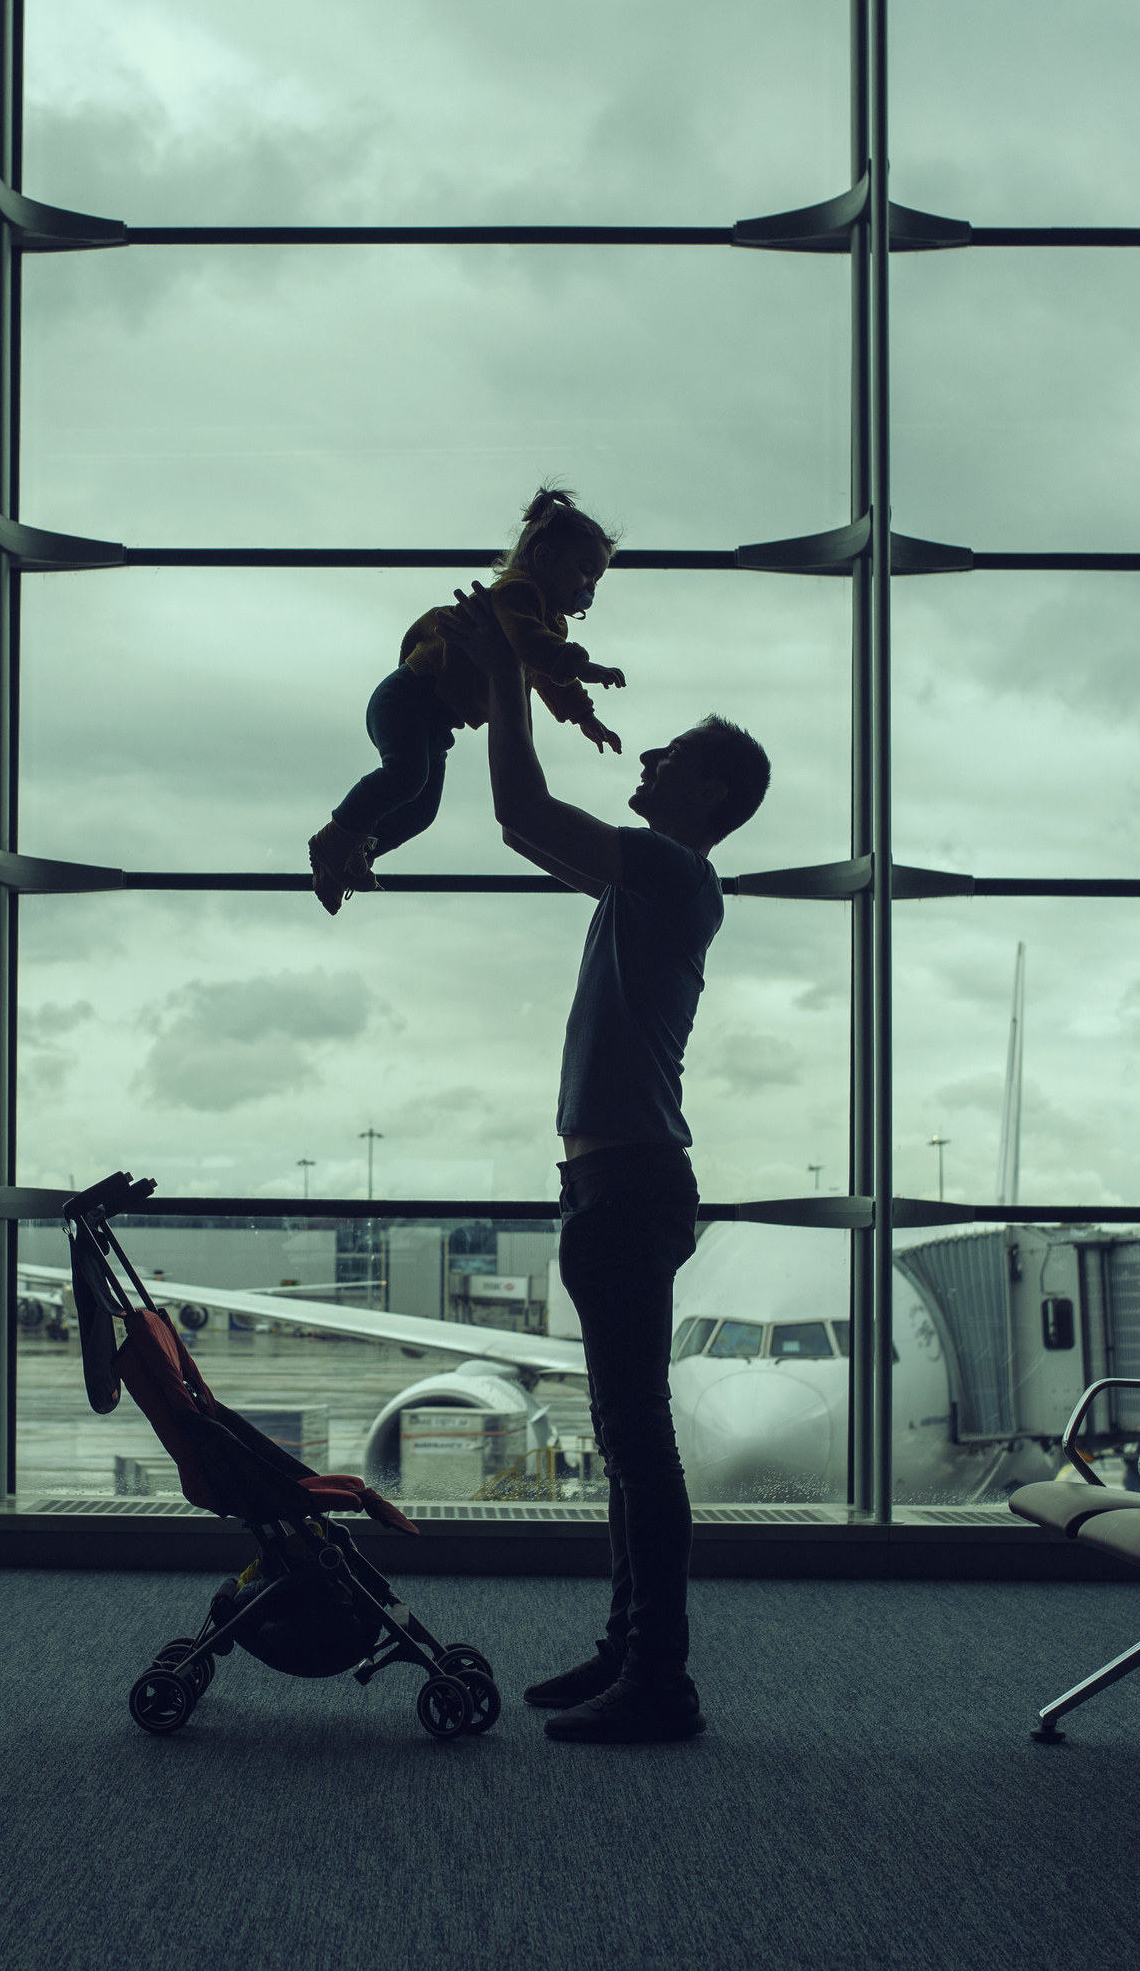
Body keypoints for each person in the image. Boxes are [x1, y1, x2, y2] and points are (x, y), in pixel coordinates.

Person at [447, 584, 770, 1745]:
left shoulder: (670, 873)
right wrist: (524, 679)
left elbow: (522, 808)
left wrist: (498, 680)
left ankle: (662, 1678)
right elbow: (531, 826)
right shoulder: (645, 885)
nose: (652, 754)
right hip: (613, 1183)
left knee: (638, 1438)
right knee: (628, 1436)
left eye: (676, 754)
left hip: (629, 1184)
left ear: (712, 795)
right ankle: (631, 1648)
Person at [304, 489, 628, 915]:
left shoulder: (550, 625)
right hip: (410, 697)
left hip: (435, 722)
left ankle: (348, 858)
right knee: (405, 778)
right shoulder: (516, 593)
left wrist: (585, 716)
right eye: (585, 572)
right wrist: (583, 666)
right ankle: (334, 839)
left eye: (597, 580)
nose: (590, 588)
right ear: (544, 558)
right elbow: (532, 647)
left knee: (421, 810)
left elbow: (549, 675)